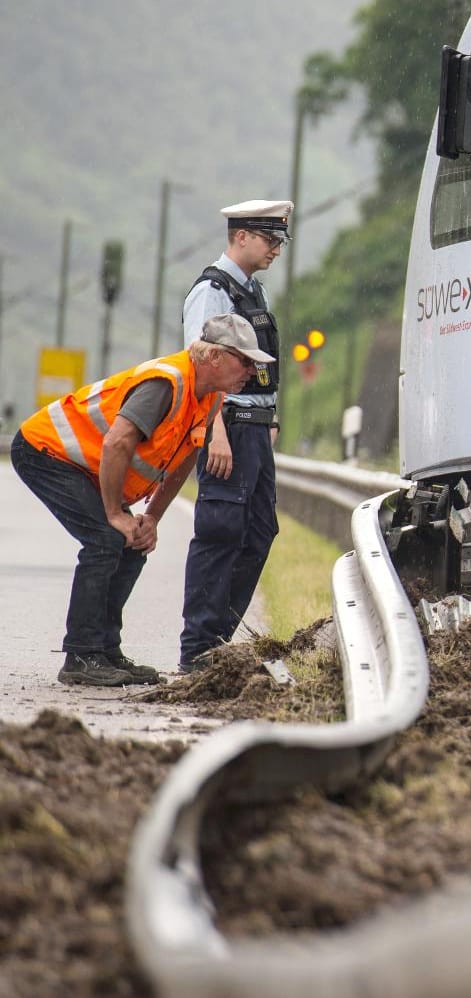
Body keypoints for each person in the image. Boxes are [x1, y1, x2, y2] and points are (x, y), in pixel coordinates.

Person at [10, 317, 271, 686]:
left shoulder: (211, 398)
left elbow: (183, 462)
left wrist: (150, 518)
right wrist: (116, 513)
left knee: (132, 543)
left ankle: (104, 650)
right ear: (214, 355)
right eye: (244, 361)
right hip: (46, 451)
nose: (252, 370)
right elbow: (118, 441)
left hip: (85, 466)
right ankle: (81, 656)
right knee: (106, 538)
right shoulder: (167, 382)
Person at [179, 198, 293, 672]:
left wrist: (269, 422)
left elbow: (257, 365)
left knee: (259, 531)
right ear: (241, 236)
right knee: (220, 530)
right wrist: (214, 430)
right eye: (269, 240)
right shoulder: (213, 291)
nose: (275, 251)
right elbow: (199, 366)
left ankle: (217, 639)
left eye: (280, 242)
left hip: (254, 428)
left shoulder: (253, 293)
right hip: (226, 424)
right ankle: (198, 647)